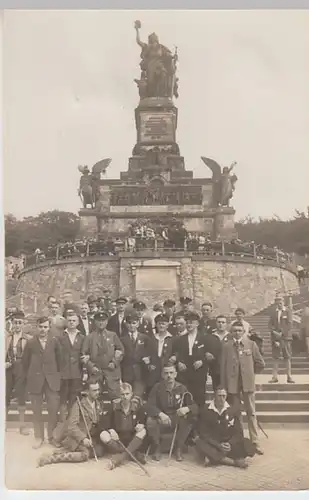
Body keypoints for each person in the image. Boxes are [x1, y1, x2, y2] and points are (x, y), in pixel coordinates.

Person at [37, 379, 110, 467]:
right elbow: (72, 426)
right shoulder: (79, 405)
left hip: (91, 437)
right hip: (76, 438)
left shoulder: (99, 404)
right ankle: (52, 458)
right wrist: (83, 439)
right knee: (85, 454)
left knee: (100, 450)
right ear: (87, 392)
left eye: (98, 390)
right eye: (94, 390)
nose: (97, 392)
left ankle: (68, 451)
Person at [220, 322, 265, 455]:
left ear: (244, 331)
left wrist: (251, 374)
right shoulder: (226, 346)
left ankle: (255, 441)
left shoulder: (251, 344)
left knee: (251, 412)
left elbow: (260, 363)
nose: (237, 333)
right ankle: (239, 440)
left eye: (240, 330)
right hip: (232, 385)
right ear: (231, 332)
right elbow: (222, 367)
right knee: (236, 413)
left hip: (247, 385)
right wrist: (223, 385)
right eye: (235, 331)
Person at [22, 316, 61, 448]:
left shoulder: (54, 341)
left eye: (45, 327)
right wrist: (31, 376)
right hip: (35, 380)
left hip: (51, 381)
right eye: (40, 327)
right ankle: (39, 437)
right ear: (36, 327)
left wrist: (56, 376)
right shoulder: (31, 343)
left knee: (53, 409)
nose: (43, 329)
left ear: (49, 328)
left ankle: (51, 437)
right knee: (36, 410)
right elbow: (25, 362)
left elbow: (60, 360)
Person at [146, 364, 197, 461]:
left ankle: (178, 447)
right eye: (166, 373)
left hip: (176, 418)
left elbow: (194, 406)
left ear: (176, 374)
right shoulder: (157, 387)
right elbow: (149, 405)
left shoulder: (182, 388)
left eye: (171, 373)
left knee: (190, 419)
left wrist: (187, 408)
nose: (169, 375)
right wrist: (160, 414)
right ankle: (157, 447)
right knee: (150, 421)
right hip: (161, 418)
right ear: (162, 375)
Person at [194, 388, 254, 468]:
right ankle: (233, 462)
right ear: (214, 396)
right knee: (199, 442)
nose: (221, 399)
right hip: (214, 444)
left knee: (248, 444)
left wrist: (230, 444)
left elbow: (238, 432)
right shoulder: (206, 410)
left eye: (223, 396)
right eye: (219, 396)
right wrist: (218, 445)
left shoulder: (231, 410)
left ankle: (215, 458)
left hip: (228, 444)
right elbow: (203, 433)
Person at [101, 383, 147, 469]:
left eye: (127, 394)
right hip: (118, 439)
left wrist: (141, 424)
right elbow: (105, 422)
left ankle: (119, 458)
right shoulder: (114, 406)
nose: (125, 396)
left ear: (131, 394)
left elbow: (143, 419)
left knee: (143, 431)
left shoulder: (137, 406)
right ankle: (132, 453)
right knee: (103, 434)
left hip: (131, 438)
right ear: (119, 395)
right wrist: (111, 430)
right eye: (122, 394)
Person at [82, 311, 124, 402]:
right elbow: (83, 355)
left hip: (111, 372)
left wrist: (114, 362)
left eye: (103, 320)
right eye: (98, 321)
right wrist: (91, 366)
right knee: (95, 397)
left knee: (116, 398)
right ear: (95, 322)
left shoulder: (113, 335)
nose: (101, 323)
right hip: (96, 372)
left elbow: (120, 350)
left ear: (107, 322)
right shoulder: (89, 337)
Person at [172, 311, 209, 407]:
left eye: (191, 322)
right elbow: (176, 354)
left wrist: (202, 361)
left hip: (199, 372)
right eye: (187, 322)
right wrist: (179, 362)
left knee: (199, 398)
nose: (189, 325)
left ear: (197, 323)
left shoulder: (204, 338)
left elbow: (209, 355)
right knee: (185, 397)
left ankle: (200, 419)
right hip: (184, 373)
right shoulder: (180, 339)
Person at [57, 312, 85, 422]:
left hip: (76, 373)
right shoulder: (60, 337)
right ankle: (62, 424)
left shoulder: (82, 337)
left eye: (74, 320)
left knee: (74, 399)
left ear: (78, 322)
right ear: (66, 322)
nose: (72, 322)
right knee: (63, 399)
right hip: (63, 373)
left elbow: (84, 354)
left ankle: (72, 423)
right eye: (69, 320)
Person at [5, 311, 30, 435]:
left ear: (24, 324)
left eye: (20, 323)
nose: (17, 325)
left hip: (21, 369)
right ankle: (2, 424)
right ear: (12, 323)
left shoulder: (28, 339)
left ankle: (22, 425)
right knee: (5, 396)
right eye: (15, 322)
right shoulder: (6, 337)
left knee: (21, 397)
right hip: (8, 369)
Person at [142, 313, 174, 395]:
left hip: (167, 372)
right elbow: (145, 354)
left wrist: (174, 358)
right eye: (159, 323)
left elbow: (177, 353)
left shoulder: (172, 339)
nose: (161, 326)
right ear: (156, 325)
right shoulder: (151, 339)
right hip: (153, 373)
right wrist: (148, 365)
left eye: (163, 324)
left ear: (167, 325)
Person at [120, 312, 149, 397]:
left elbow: (149, 353)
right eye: (129, 323)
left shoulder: (145, 338)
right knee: (126, 395)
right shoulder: (122, 339)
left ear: (138, 324)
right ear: (126, 324)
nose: (131, 325)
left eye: (134, 323)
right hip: (126, 372)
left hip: (140, 373)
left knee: (138, 396)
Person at [268, 295, 295, 384]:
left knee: (287, 357)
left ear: (283, 302)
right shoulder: (273, 312)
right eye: (277, 303)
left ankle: (289, 376)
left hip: (286, 338)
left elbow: (289, 324)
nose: (279, 304)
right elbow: (270, 324)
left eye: (280, 303)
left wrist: (282, 333)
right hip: (275, 338)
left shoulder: (288, 311)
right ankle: (274, 377)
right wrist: (274, 333)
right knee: (275, 357)